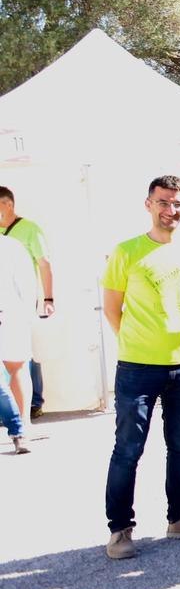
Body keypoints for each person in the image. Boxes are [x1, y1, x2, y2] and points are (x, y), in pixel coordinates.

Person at [101, 176, 180, 559]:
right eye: (164, 202)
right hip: (137, 367)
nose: (171, 210)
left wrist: (177, 343)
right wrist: (139, 342)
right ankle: (120, 530)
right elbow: (112, 309)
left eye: (178, 204)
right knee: (128, 448)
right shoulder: (126, 252)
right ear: (149, 204)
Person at [0, 184, 53, 418]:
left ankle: (34, 402)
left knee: (24, 352)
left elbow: (44, 264)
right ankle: (9, 408)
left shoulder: (30, 229)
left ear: (7, 204)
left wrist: (48, 298)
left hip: (21, 300)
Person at [0, 229, 37, 450]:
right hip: (14, 313)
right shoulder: (12, 246)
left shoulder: (11, 247)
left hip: (10, 314)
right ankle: (22, 428)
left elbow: (27, 285)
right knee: (17, 368)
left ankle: (21, 427)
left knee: (17, 367)